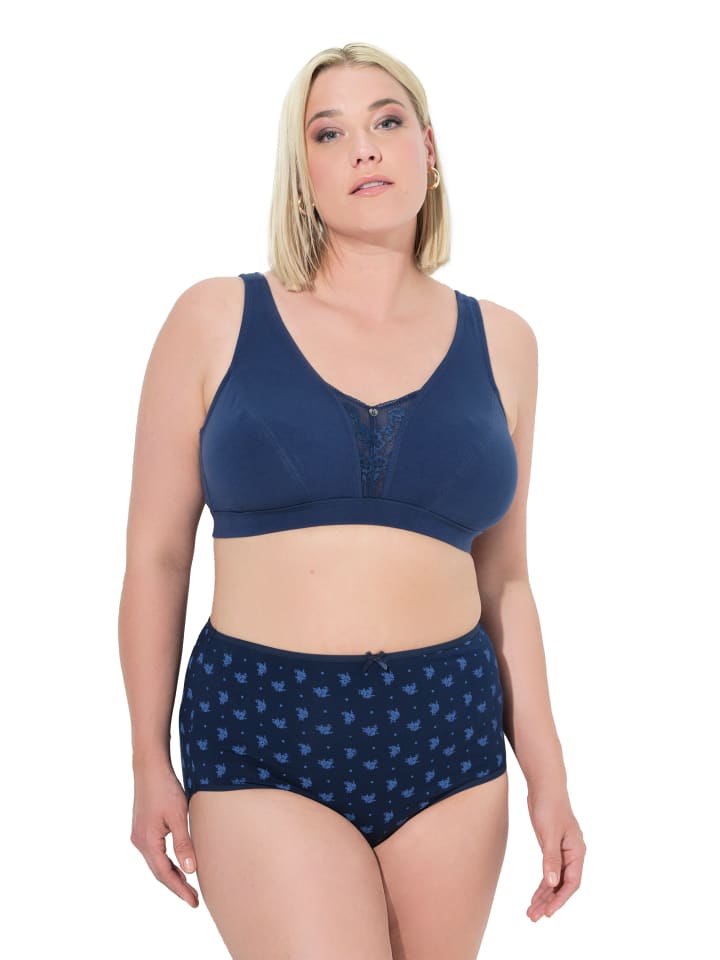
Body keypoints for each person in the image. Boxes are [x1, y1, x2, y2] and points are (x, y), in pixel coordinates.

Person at [119, 40, 585, 959]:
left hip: (449, 735)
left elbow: (507, 581)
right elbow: (157, 556)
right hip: (264, 728)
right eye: (328, 133)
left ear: (429, 150)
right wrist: (146, 757)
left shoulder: (506, 342)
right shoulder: (214, 317)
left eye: (387, 121)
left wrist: (550, 778)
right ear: (303, 176)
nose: (364, 147)